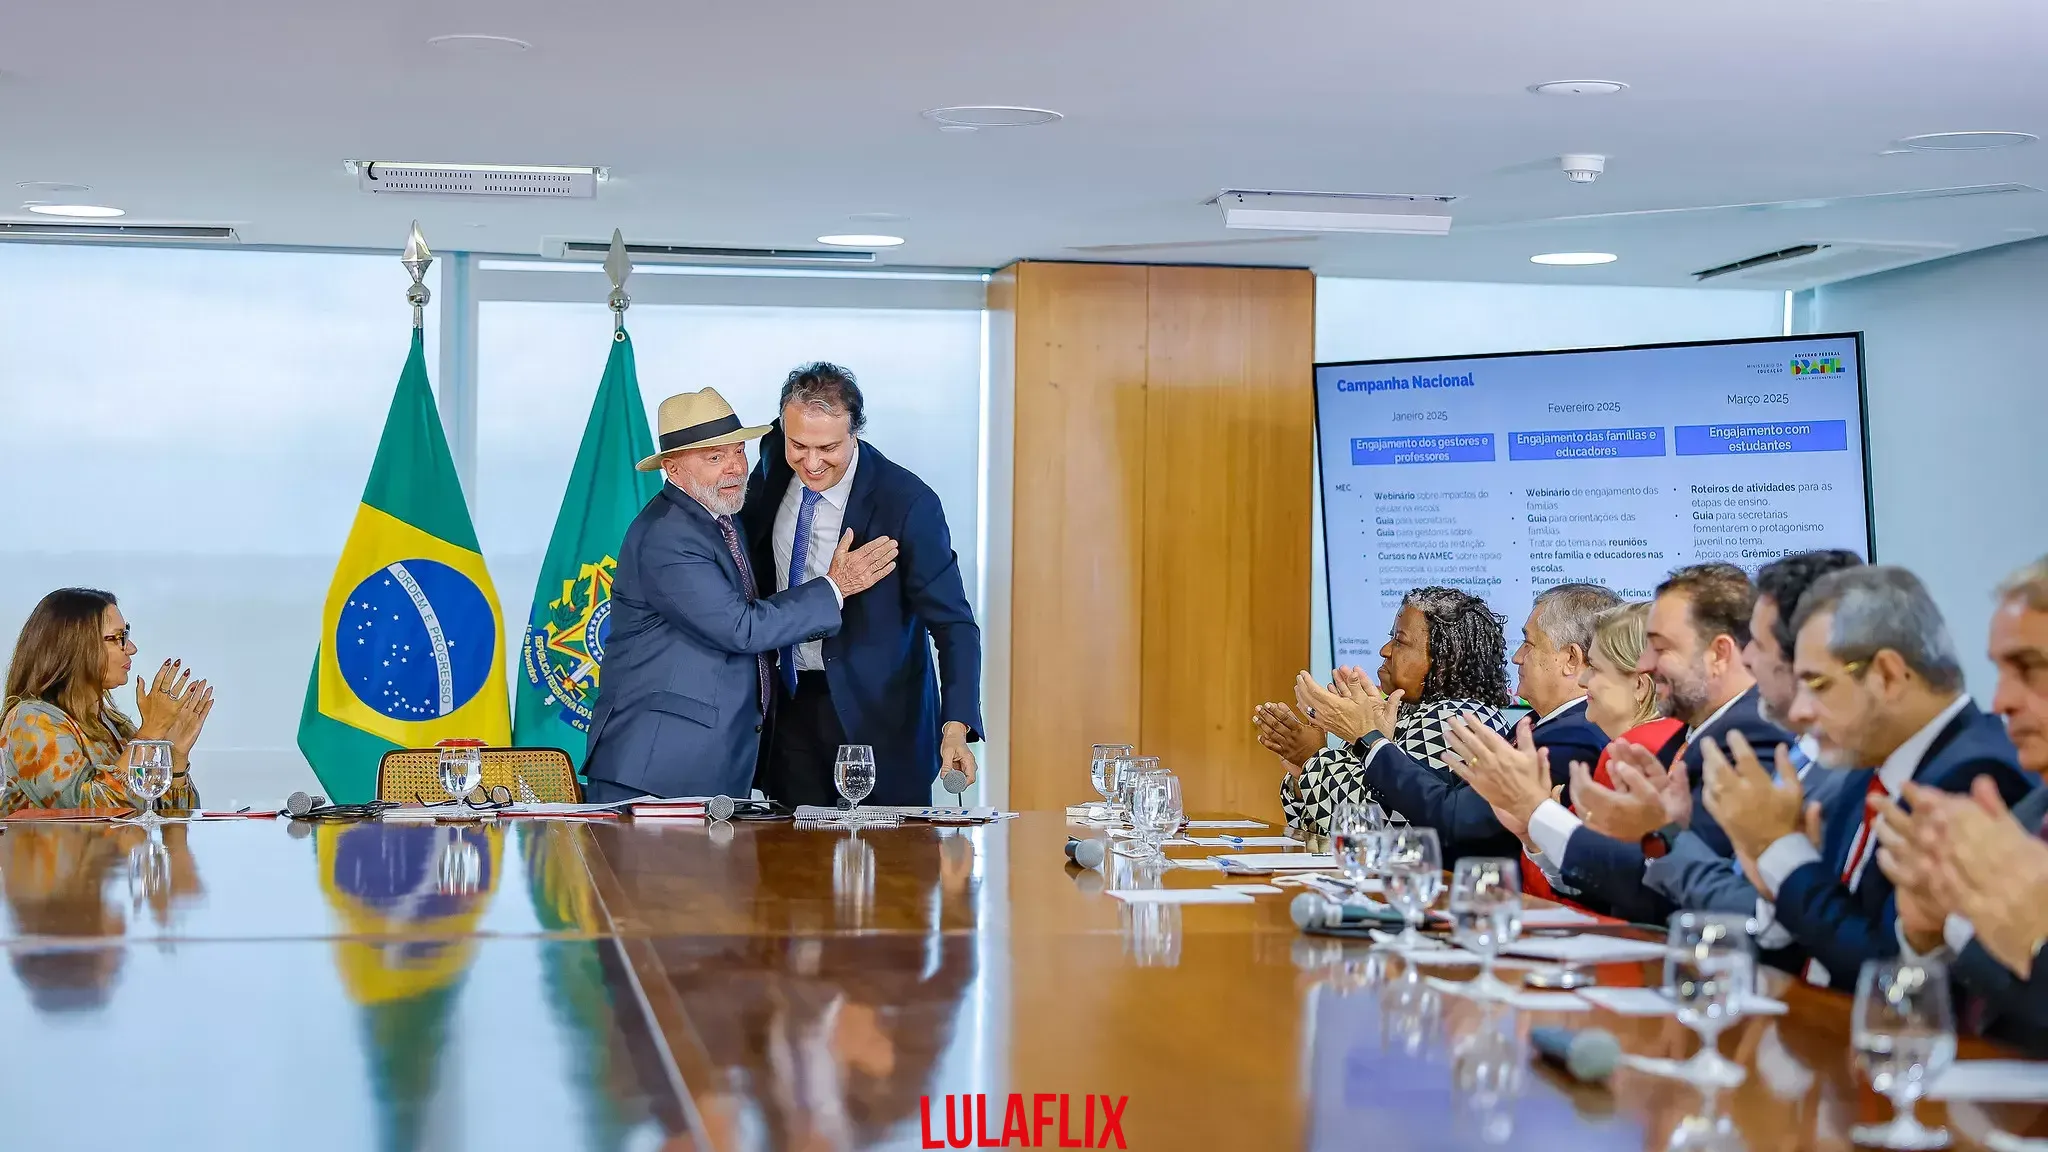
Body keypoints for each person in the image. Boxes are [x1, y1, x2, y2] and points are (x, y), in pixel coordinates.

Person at [1705, 565, 2032, 989]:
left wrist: (1779, 849)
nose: (1801, 711)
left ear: (1888, 676)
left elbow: (1889, 969)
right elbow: (1825, 929)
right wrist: (1775, 882)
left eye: (1818, 685)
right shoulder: (1866, 769)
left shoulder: (1976, 776)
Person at [583, 388, 900, 803]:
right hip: (655, 772)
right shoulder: (667, 536)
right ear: (673, 469)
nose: (735, 467)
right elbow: (742, 627)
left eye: (738, 451)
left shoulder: (719, 519)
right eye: (715, 458)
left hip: (702, 767)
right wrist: (836, 585)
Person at [1450, 563, 1789, 924]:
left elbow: (1682, 895)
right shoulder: (1688, 737)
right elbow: (1628, 879)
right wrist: (1533, 830)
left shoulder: (1747, 739)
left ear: (1719, 654)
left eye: (1661, 648)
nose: (1646, 664)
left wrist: (1537, 812)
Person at [741, 363, 984, 809]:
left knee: (882, 854)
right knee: (788, 849)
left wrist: (956, 727)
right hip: (789, 709)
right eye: (799, 445)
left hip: (881, 721)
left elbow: (954, 626)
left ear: (855, 432)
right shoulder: (773, 460)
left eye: (828, 448)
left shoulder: (907, 503)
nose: (812, 463)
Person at [1282, 583, 1616, 860]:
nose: (1517, 657)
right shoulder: (1532, 724)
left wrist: (1360, 742)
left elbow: (1427, 823)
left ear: (1570, 659)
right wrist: (1369, 742)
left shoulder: (1566, 734)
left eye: (1529, 644)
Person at [1875, 555, 2048, 1053]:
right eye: (2000, 671)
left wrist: (2037, 944)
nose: (2000, 701)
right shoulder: (2030, 816)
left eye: (2030, 669)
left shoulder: (1986, 783)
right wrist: (1929, 937)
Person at [1634, 550, 1863, 914]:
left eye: (1759, 643)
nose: (1749, 658)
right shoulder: (1809, 755)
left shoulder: (1759, 740)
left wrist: (1667, 835)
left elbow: (1770, 913)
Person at [1273, 586, 1514, 834]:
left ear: (1443, 661)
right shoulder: (1406, 710)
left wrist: (1311, 757)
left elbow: (1378, 825)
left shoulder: (1455, 719)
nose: (1385, 650)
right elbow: (1321, 829)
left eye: (1400, 641)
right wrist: (1302, 774)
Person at [0, 588, 213, 815]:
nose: (131, 648)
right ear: (73, 647)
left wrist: (176, 757)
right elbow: (90, 815)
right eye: (116, 638)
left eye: (126, 635)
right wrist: (150, 733)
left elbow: (165, 821)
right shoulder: (31, 721)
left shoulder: (115, 725)